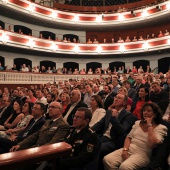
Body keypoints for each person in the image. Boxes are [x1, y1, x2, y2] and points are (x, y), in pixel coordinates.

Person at [103, 102, 167, 170]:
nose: (145, 112)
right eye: (144, 110)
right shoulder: (138, 123)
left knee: (124, 167)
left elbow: (152, 143)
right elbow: (128, 137)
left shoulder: (161, 128)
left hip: (143, 154)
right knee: (107, 160)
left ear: (155, 114)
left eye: (149, 110)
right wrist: (125, 150)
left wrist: (149, 125)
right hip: (130, 148)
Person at [92, 93, 138, 170]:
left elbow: (122, 131)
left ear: (124, 103)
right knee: (87, 145)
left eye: (119, 98)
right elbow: (100, 124)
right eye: (115, 97)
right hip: (102, 137)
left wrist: (114, 117)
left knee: (97, 149)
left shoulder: (128, 115)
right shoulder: (109, 112)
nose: (116, 99)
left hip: (113, 141)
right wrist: (89, 130)